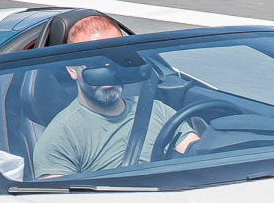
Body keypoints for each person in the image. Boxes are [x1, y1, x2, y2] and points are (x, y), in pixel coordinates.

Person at [31, 17, 204, 177]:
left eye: (115, 59)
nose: (108, 71)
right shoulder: (60, 136)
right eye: (95, 63)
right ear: (71, 69)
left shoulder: (158, 111)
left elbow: (199, 160)